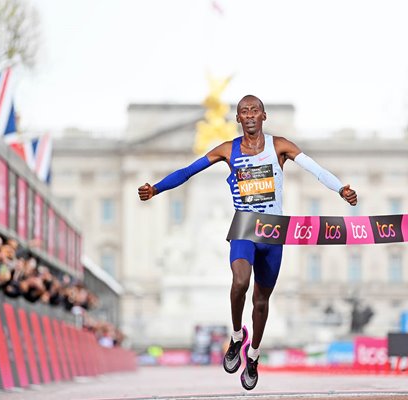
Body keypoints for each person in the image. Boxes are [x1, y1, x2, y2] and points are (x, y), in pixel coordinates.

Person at [138, 95, 357, 390]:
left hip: (273, 232)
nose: (250, 114)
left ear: (264, 116)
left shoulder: (279, 145)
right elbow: (188, 172)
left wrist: (340, 188)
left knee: (261, 301)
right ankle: (236, 335)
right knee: (240, 282)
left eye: (255, 110)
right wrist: (156, 188)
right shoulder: (228, 150)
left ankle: (253, 354)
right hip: (244, 227)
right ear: (238, 119)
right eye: (244, 111)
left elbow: (314, 169)